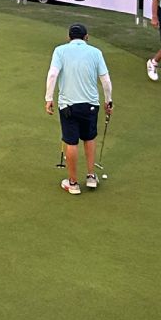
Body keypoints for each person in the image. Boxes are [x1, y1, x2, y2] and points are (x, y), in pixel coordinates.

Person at [44, 22, 113, 194]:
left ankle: (73, 183)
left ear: (69, 37)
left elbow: (53, 74)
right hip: (90, 105)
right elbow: (105, 80)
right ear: (86, 37)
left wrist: (48, 98)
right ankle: (91, 177)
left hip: (68, 105)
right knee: (89, 138)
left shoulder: (60, 51)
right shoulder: (96, 53)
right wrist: (109, 101)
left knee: (71, 141)